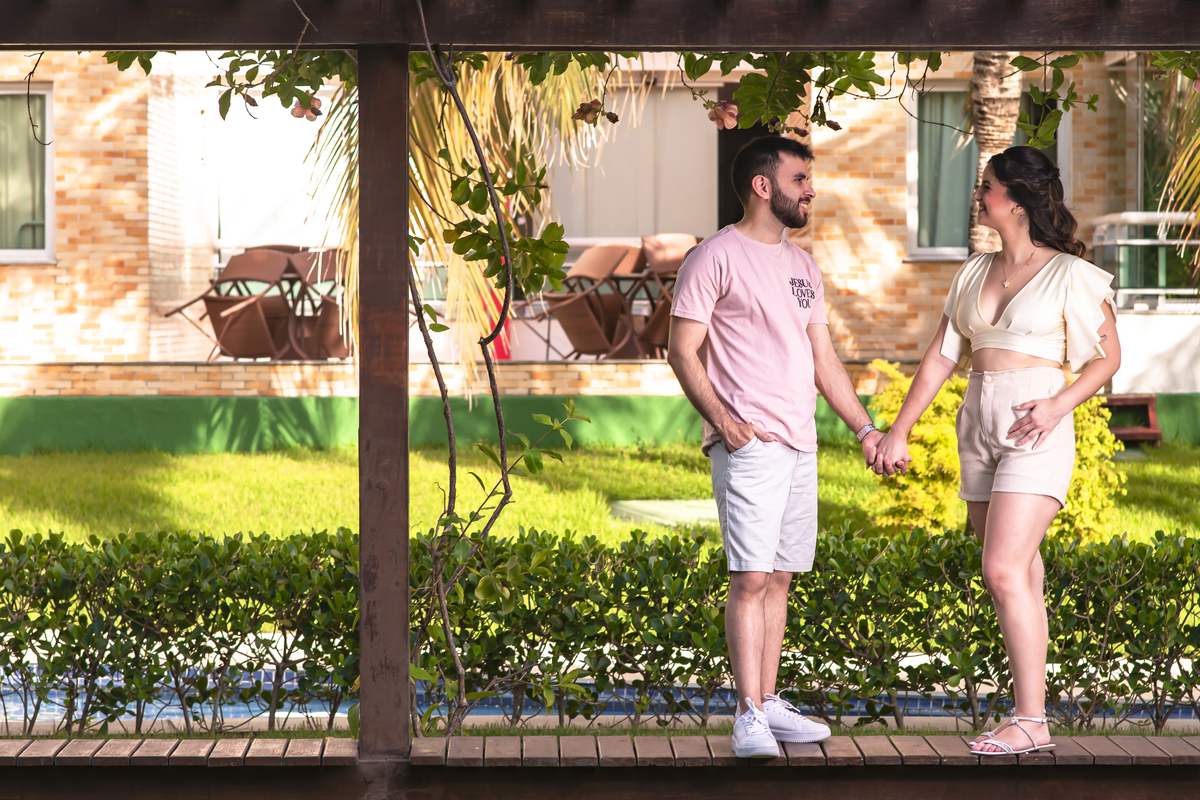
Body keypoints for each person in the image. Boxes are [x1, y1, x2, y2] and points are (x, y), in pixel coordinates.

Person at [870, 145, 1121, 756]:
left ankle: (1031, 721)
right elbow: (940, 357)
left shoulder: (1068, 273)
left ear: (1014, 197)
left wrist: (1057, 406)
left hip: (1035, 422)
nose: (978, 195)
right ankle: (1030, 717)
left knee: (1003, 569)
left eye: (986, 187)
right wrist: (899, 430)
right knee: (1020, 573)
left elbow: (1107, 359)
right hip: (977, 422)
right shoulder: (972, 272)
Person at [667, 136, 884, 758]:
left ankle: (767, 702)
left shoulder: (802, 267)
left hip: (801, 443)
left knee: (781, 576)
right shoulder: (714, 256)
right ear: (764, 186)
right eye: (800, 179)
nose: (810, 189)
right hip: (751, 444)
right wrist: (724, 420)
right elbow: (682, 350)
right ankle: (747, 715)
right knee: (751, 577)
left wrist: (866, 430)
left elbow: (824, 360)